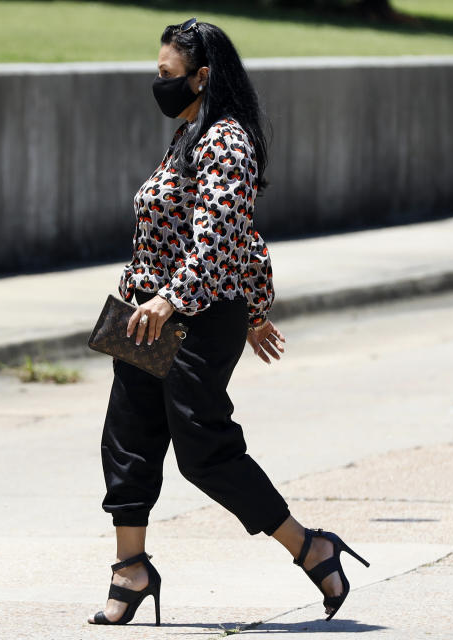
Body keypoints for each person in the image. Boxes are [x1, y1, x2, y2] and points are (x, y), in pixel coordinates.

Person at [88, 18, 369, 626]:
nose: (158, 84)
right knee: (128, 439)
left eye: (167, 74)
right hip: (143, 316)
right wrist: (157, 300)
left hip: (196, 317)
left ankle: (309, 546)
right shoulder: (188, 134)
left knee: (204, 450)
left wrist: (181, 300)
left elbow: (221, 236)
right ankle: (130, 569)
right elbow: (246, 242)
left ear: (203, 74)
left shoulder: (226, 141)